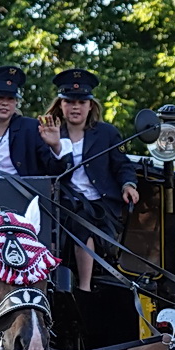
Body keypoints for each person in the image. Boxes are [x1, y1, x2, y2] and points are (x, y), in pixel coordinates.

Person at [40, 69, 140, 291]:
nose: (75, 107)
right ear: (61, 105)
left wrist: (128, 185)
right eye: (69, 102)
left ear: (90, 106)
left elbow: (122, 165)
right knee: (73, 218)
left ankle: (84, 288)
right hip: (62, 205)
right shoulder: (50, 132)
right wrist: (55, 145)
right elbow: (49, 171)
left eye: (81, 102)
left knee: (84, 220)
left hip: (101, 207)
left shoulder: (106, 134)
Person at [0, 66, 57, 178]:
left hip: (22, 194)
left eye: (10, 98)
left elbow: (55, 171)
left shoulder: (31, 128)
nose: (5, 103)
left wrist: (56, 147)